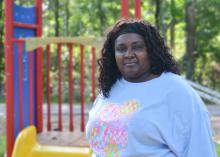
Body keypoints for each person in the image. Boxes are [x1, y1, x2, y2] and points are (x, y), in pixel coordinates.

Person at [86, 18, 217, 157]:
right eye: (121, 49)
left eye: (137, 47)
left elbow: (201, 149)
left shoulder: (175, 90)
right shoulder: (111, 87)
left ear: (151, 50)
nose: (128, 54)